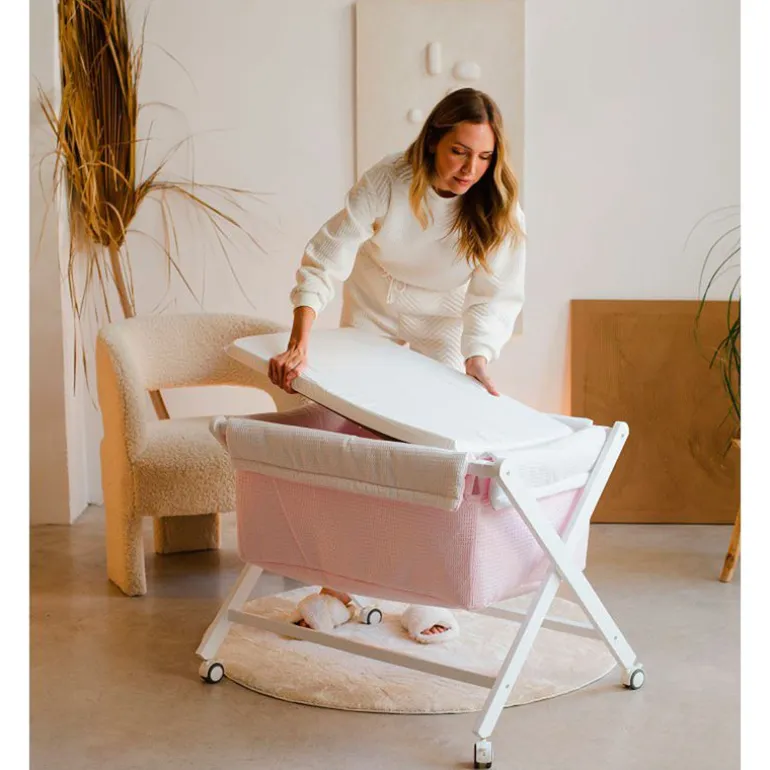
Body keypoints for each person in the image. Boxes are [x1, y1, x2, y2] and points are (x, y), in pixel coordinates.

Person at [268, 87, 526, 644]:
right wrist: (299, 343)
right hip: (374, 308)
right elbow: (328, 255)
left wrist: (477, 356)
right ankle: (340, 588)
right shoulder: (388, 180)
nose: (470, 170)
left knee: (434, 453)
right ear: (433, 140)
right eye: (459, 152)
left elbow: (494, 296)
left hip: (444, 322)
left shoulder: (499, 204)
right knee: (356, 445)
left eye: (484, 157)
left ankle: (423, 593)